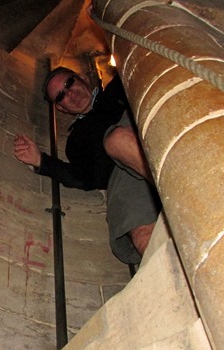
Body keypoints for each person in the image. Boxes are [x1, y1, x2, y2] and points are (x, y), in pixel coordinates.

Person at [14, 66, 161, 265]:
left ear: (81, 77)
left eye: (69, 83)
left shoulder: (118, 88)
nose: (70, 94)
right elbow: (83, 177)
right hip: (122, 178)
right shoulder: (76, 141)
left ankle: (175, 184)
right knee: (143, 237)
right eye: (61, 96)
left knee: (117, 140)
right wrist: (41, 160)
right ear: (61, 108)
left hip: (147, 132)